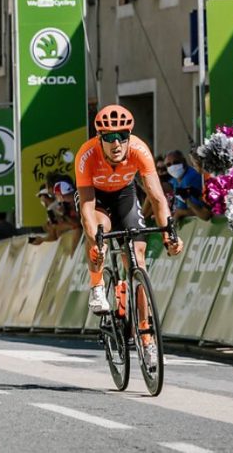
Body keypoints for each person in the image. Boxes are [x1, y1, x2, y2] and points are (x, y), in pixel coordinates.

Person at [75, 104, 182, 370]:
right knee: (100, 228)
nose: (116, 143)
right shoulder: (86, 155)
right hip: (96, 198)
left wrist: (170, 234)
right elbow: (87, 210)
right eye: (110, 137)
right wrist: (96, 242)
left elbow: (157, 197)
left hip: (125, 194)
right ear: (99, 137)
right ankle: (97, 286)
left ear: (129, 136)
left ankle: (146, 339)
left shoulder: (139, 150)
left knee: (137, 260)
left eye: (122, 136)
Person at [165, 150, 208, 220]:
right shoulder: (176, 179)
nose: (173, 166)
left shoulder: (191, 178)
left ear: (184, 162)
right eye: (168, 164)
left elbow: (202, 212)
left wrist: (180, 212)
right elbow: (181, 207)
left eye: (176, 162)